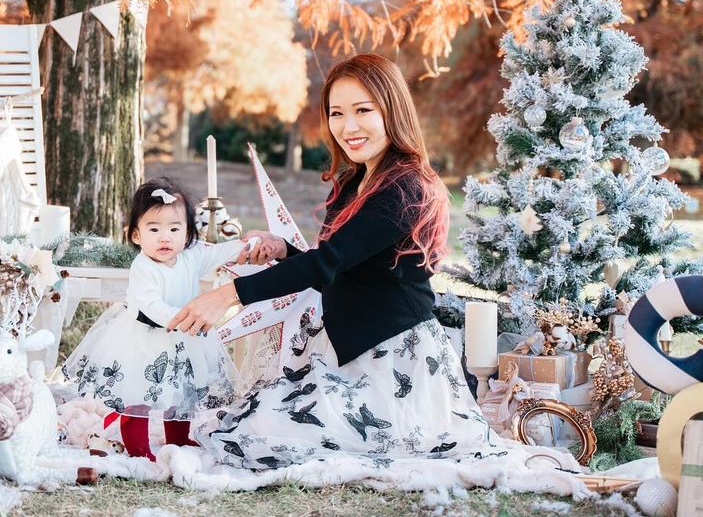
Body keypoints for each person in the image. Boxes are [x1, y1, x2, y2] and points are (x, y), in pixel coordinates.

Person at [168, 54, 498, 469]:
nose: (348, 127)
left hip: (395, 362)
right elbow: (340, 268)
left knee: (258, 436)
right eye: (337, 113)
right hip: (352, 352)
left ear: (392, 109)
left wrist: (228, 295)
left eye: (363, 110)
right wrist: (284, 250)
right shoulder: (355, 181)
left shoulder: (405, 188)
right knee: (243, 423)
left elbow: (328, 262)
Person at [62, 178, 249, 460]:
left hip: (183, 339)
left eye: (174, 229)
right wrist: (183, 317)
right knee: (138, 394)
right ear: (136, 236)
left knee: (182, 389)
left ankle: (179, 438)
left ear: (187, 234)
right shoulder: (143, 267)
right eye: (154, 229)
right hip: (145, 339)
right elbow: (150, 304)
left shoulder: (191, 256)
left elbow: (219, 252)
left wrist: (247, 245)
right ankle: (138, 447)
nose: (165, 237)